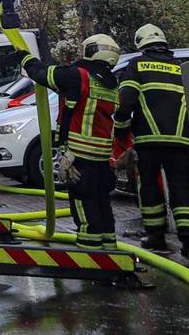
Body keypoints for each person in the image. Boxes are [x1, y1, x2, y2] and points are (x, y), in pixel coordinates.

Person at [24, 33, 122, 249]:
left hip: (79, 154)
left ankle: (90, 249)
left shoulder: (79, 75)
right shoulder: (112, 85)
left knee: (83, 201)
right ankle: (109, 246)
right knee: (101, 201)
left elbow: (42, 74)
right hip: (103, 157)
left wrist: (25, 58)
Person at [115, 23, 189, 259]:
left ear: (140, 43)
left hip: (148, 140)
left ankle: (156, 236)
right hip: (181, 141)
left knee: (149, 187)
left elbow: (125, 102)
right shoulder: (180, 68)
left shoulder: (137, 66)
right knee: (182, 190)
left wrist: (121, 130)